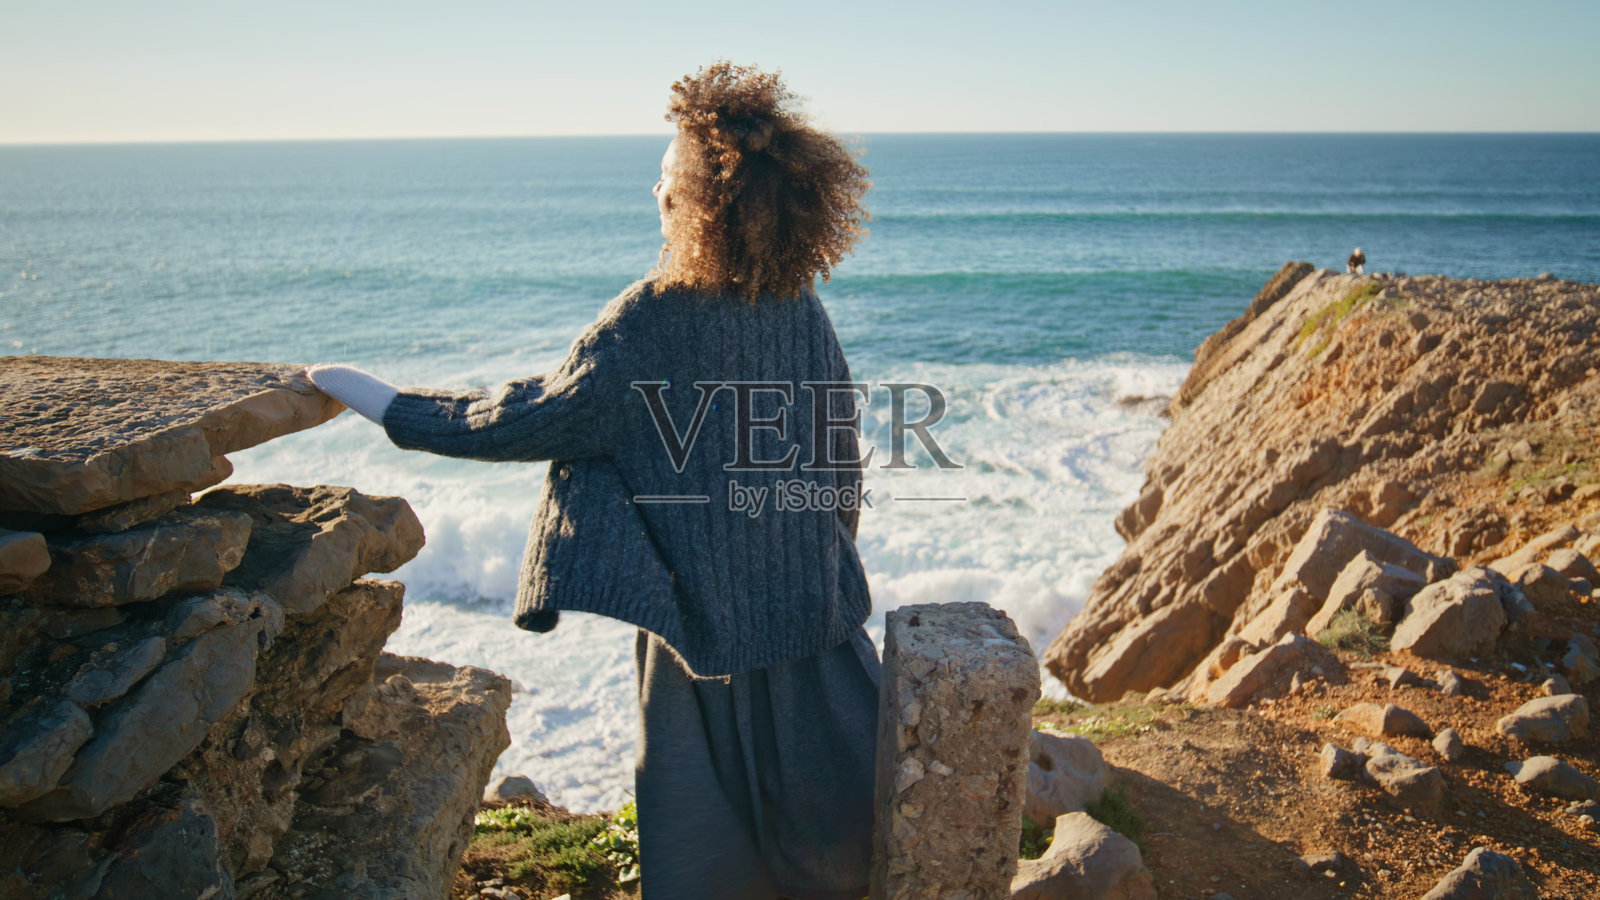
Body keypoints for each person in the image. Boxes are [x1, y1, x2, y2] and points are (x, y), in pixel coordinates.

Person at [305, 62, 878, 900]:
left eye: (668, 171)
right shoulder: (799, 307)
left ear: (698, 196)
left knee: (709, 877)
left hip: (699, 651)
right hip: (820, 645)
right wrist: (811, 575)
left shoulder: (652, 319)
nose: (655, 183)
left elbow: (529, 420)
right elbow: (840, 468)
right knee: (842, 868)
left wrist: (386, 403)